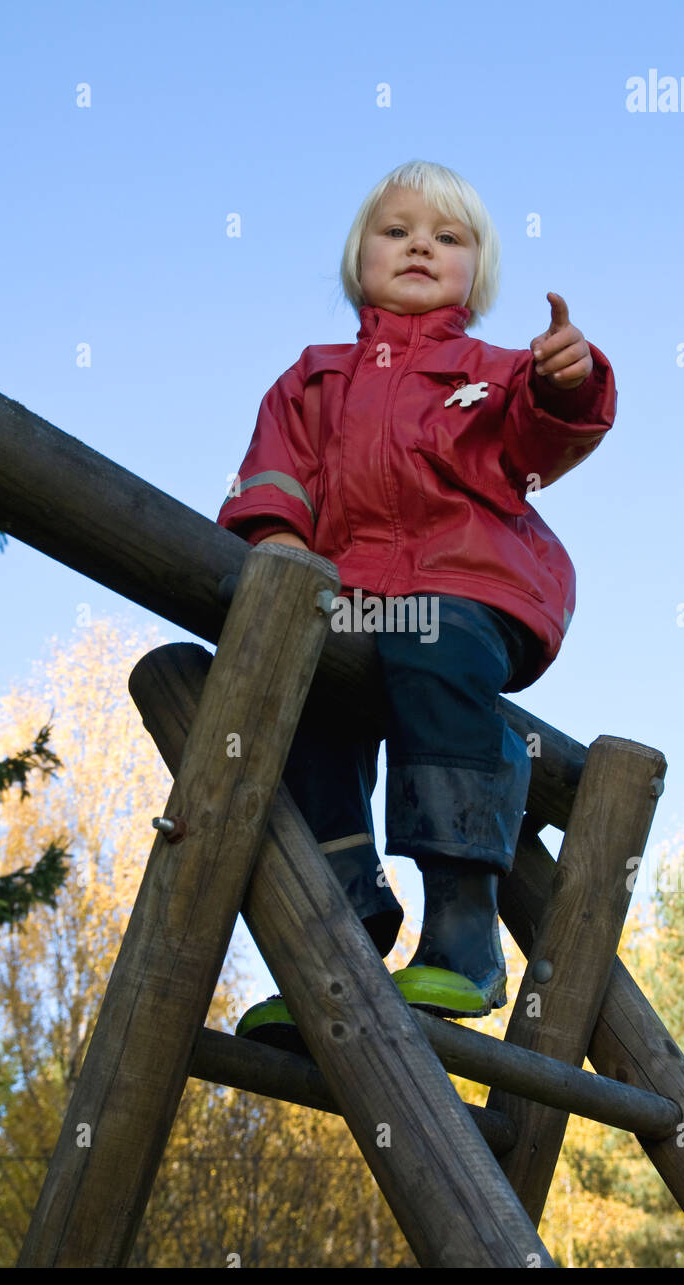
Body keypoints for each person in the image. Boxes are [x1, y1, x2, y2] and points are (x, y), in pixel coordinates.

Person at [216, 159, 617, 1052]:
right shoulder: (311, 382)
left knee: (433, 650)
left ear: (479, 274)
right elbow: (272, 477)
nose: (419, 246)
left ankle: (464, 932)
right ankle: (337, 925)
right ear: (357, 257)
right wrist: (278, 545)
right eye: (395, 231)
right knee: (297, 703)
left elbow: (544, 437)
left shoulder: (492, 372)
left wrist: (566, 379)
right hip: (343, 599)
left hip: (472, 582)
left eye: (448, 237)